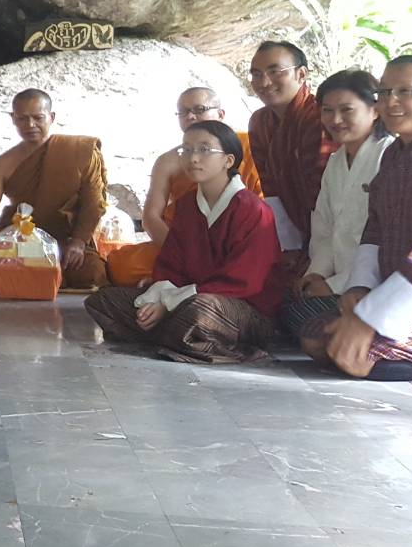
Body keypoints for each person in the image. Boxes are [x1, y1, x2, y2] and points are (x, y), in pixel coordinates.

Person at [302, 56, 412, 397]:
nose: (391, 102)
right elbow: (375, 228)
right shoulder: (396, 154)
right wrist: (359, 289)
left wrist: (370, 319)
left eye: (405, 92)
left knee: (356, 351)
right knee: (315, 335)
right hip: (395, 295)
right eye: (384, 92)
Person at [84, 121, 282, 363]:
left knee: (199, 313)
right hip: (187, 298)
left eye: (204, 149)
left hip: (242, 308)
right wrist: (160, 296)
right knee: (104, 301)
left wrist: (170, 303)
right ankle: (182, 337)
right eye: (186, 150)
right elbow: (172, 262)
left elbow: (242, 281)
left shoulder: (253, 210)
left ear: (228, 160)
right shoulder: (187, 205)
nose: (193, 158)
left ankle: (184, 335)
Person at [107, 87, 264, 287]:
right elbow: (151, 218)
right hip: (186, 244)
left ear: (220, 114)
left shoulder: (249, 147)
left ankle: (179, 281)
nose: (190, 116)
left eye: (199, 109)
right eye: (183, 112)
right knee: (122, 265)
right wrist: (180, 254)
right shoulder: (168, 161)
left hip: (237, 240)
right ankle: (189, 278)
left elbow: (262, 206)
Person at [278, 70, 391, 336]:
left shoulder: (387, 156)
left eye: (346, 110)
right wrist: (317, 274)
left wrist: (335, 285)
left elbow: (385, 240)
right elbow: (325, 228)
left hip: (373, 284)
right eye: (327, 110)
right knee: (282, 304)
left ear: (375, 110)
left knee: (302, 319)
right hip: (336, 281)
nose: (335, 120)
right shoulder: (336, 162)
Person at [0, 89, 109, 289]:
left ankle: (30, 276)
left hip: (64, 240)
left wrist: (79, 241)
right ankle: (42, 276)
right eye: (22, 118)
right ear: (13, 119)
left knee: (92, 271)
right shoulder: (3, 164)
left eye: (38, 118)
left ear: (52, 117)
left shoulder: (80, 151)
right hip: (19, 240)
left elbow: (93, 203)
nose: (30, 125)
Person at [247, 40, 336, 258]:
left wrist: (316, 254)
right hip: (294, 230)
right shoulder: (259, 122)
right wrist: (290, 248)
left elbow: (322, 193)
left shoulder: (318, 117)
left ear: (301, 74)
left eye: (275, 72)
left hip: (333, 229)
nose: (264, 82)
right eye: (256, 74)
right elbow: (271, 189)